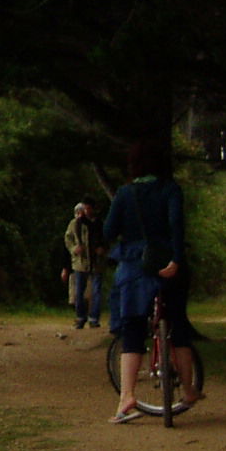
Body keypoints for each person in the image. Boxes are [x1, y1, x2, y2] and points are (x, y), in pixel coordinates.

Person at [101, 138, 199, 422]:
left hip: (133, 266)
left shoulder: (124, 193)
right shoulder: (170, 190)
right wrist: (176, 259)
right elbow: (177, 225)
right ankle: (189, 389)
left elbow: (108, 231)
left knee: (131, 330)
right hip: (167, 263)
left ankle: (127, 396)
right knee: (178, 325)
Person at [62, 200, 105, 329]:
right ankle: (81, 317)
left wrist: (103, 249)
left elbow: (107, 238)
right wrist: (74, 248)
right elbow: (68, 239)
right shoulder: (75, 224)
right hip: (80, 263)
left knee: (96, 291)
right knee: (79, 292)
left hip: (97, 263)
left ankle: (94, 318)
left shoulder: (99, 223)